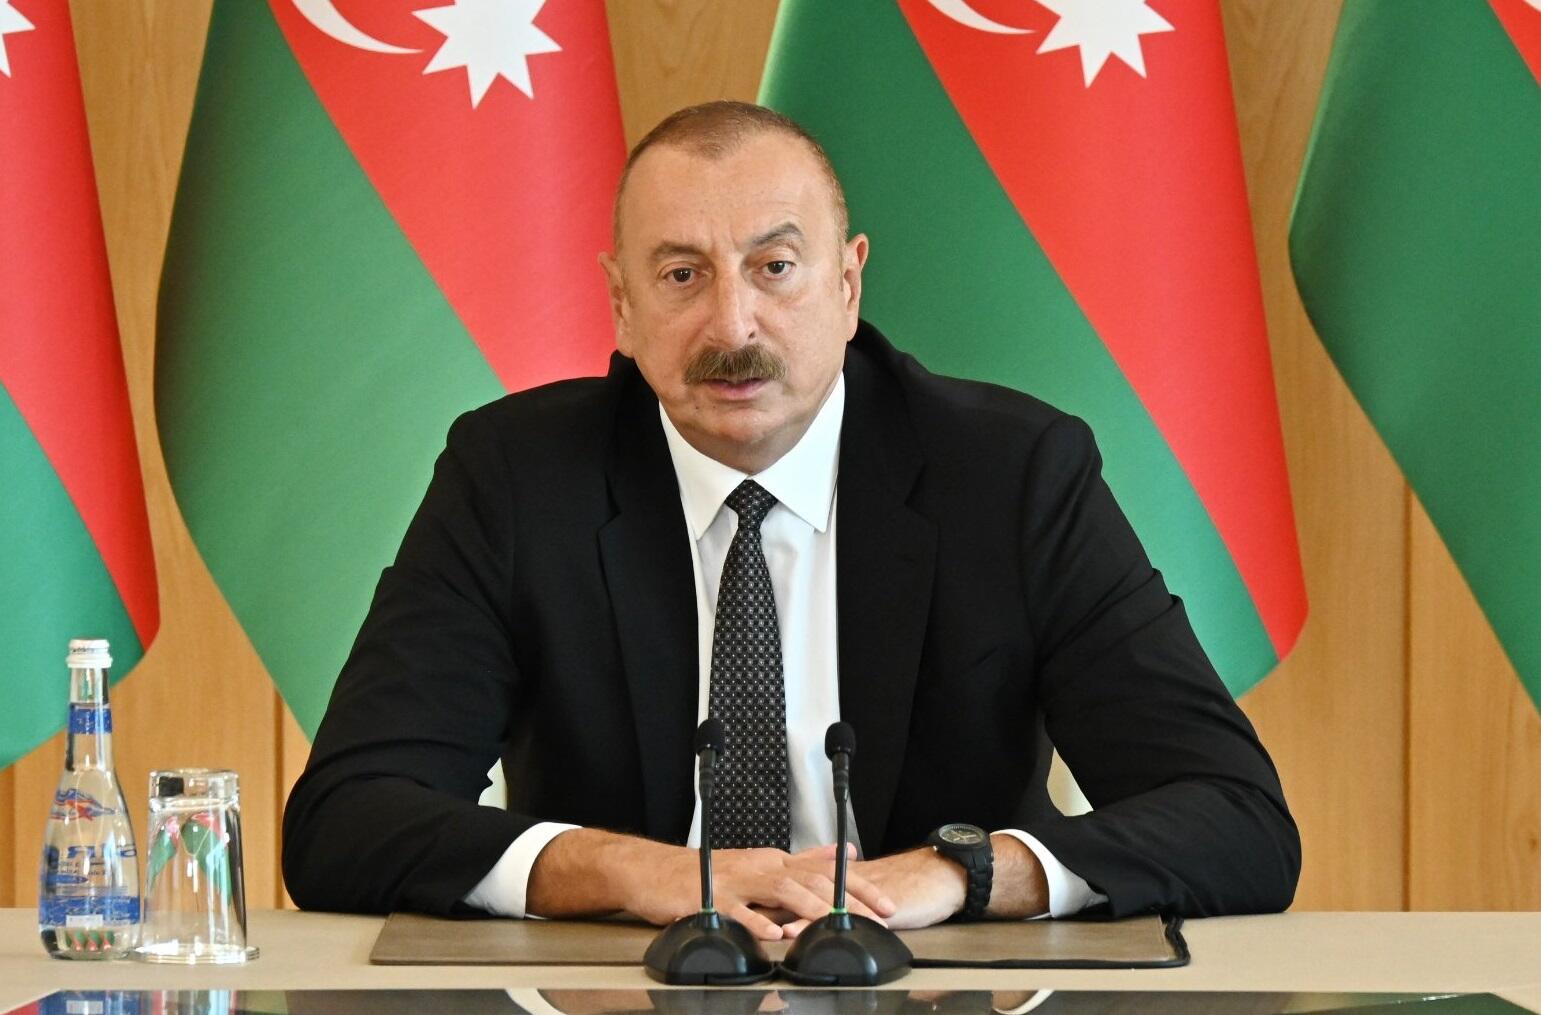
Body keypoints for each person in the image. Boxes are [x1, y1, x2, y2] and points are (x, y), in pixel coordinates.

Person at [283, 101, 1299, 938]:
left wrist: (960, 873)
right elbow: (344, 817)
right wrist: (628, 871)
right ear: (621, 306)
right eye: (681, 276)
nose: (732, 327)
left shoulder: (1010, 475)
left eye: (774, 267)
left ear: (847, 284)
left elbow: (1236, 815)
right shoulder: (516, 478)